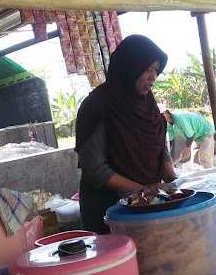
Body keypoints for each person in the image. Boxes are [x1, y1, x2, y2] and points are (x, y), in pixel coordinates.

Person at [75, 35, 176, 233]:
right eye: (147, 69)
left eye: (156, 70)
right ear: (129, 67)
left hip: (146, 203)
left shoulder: (147, 103)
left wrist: (173, 180)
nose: (153, 77)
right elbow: (95, 169)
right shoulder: (97, 106)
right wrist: (142, 190)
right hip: (110, 210)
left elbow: (158, 145)